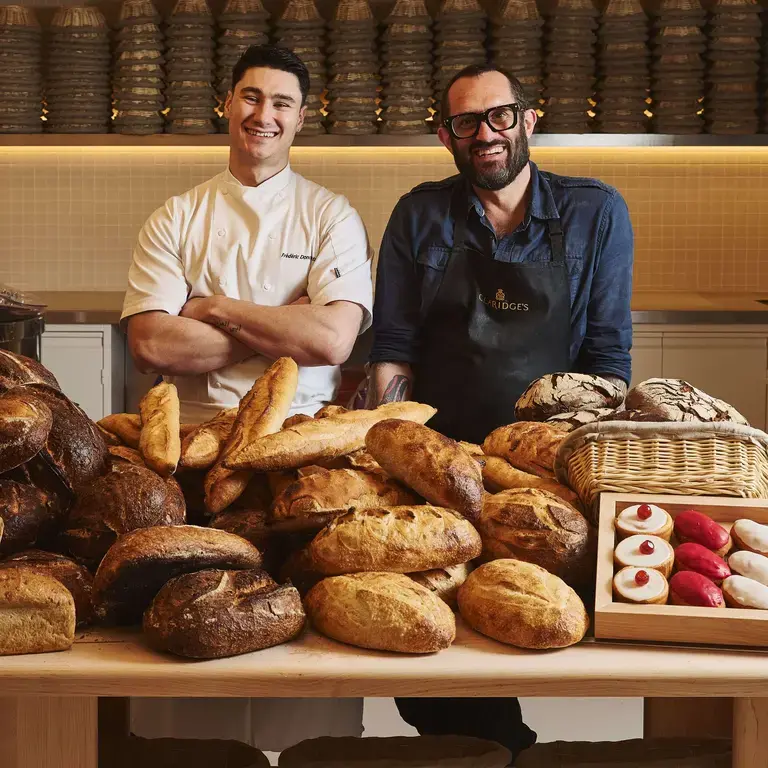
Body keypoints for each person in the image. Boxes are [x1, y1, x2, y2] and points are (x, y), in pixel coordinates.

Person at [369, 64, 634, 761]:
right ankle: (501, 749)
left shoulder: (595, 212)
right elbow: (394, 347)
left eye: (500, 116)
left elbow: (608, 358)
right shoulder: (419, 215)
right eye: (467, 123)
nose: (486, 134)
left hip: (548, 473)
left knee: (540, 622)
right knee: (437, 657)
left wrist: (580, 469)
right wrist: (399, 448)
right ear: (445, 136)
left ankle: (509, 749)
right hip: (443, 465)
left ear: (529, 119)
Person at [121, 44, 372, 751]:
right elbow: (152, 345)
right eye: (252, 98)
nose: (264, 115)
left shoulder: (330, 215)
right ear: (227, 104)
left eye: (282, 104)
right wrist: (281, 325)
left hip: (304, 453)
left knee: (307, 642)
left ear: (301, 119)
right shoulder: (178, 215)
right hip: (194, 457)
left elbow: (332, 342)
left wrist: (213, 309)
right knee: (191, 633)